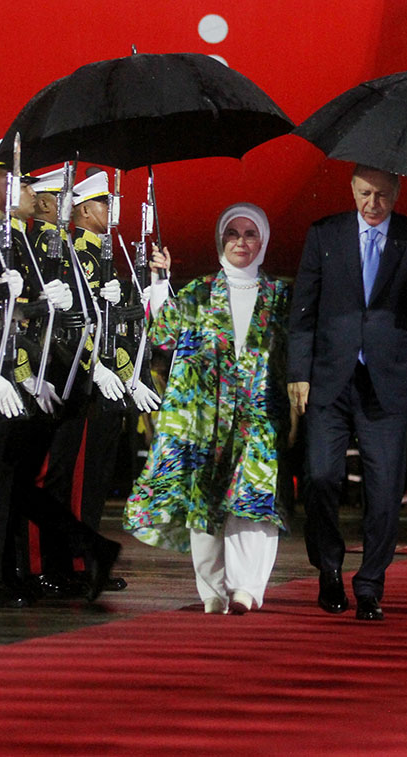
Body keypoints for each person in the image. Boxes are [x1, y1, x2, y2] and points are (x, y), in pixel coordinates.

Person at [288, 164, 407, 621]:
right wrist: (299, 371)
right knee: (320, 477)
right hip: (330, 377)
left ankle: (371, 584)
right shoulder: (325, 234)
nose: (372, 205)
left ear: (398, 191)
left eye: (381, 195)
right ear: (351, 190)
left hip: (387, 382)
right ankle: (329, 569)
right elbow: (303, 310)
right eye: (364, 194)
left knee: (384, 488)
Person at [125, 202, 291, 615]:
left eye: (249, 234)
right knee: (206, 505)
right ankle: (214, 592)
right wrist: (160, 283)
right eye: (232, 234)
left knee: (254, 498)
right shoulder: (198, 292)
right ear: (221, 240)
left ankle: (247, 589)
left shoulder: (281, 297)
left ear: (263, 241)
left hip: (257, 415)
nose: (240, 242)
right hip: (203, 418)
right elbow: (160, 336)